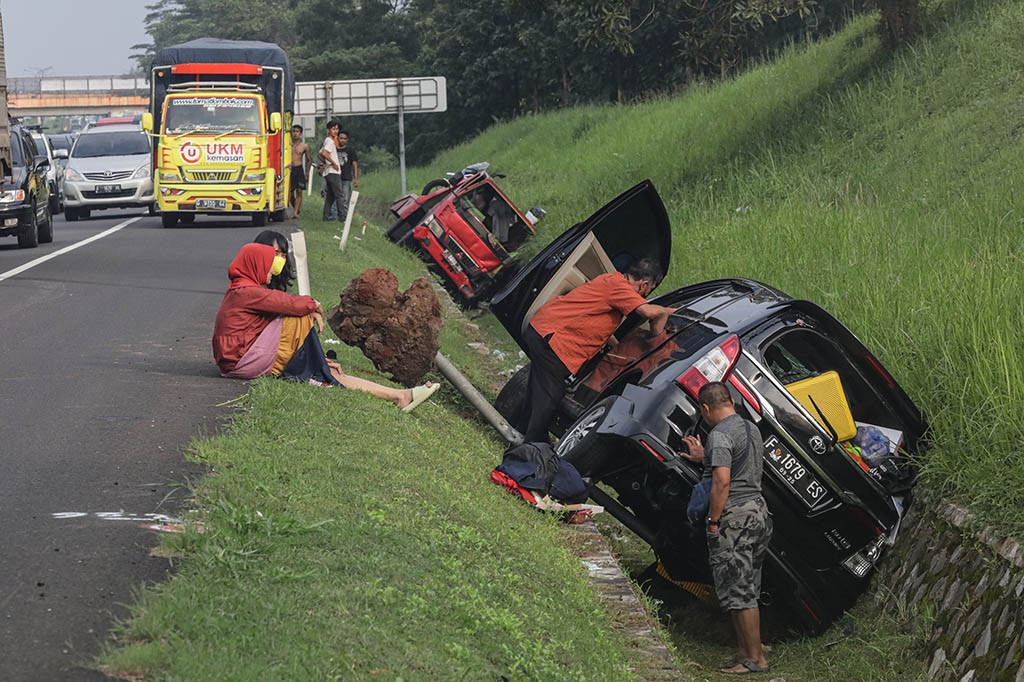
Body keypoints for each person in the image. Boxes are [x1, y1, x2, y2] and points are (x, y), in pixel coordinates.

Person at [212, 243, 440, 412]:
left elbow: (280, 304)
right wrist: (314, 307)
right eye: (269, 264)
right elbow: (288, 304)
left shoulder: (242, 290)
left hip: (241, 358)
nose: (273, 269)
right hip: (240, 362)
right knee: (299, 318)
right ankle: (318, 369)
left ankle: (401, 395)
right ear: (255, 264)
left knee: (325, 361)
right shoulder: (246, 292)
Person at [517, 258, 676, 443]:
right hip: (554, 339)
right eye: (649, 291)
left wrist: (620, 348)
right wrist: (668, 312)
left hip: (545, 330)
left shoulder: (610, 281)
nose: (645, 295)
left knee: (539, 389)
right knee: (550, 397)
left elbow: (597, 322)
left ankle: (521, 432)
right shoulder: (619, 286)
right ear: (645, 284)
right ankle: (532, 444)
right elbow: (648, 312)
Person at [681, 382, 772, 676]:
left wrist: (713, 522)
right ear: (730, 401)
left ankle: (756, 660)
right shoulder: (749, 427)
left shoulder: (719, 435)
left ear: (705, 409)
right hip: (758, 514)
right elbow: (736, 462)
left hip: (735, 518)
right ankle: (745, 653)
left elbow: (722, 481)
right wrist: (703, 456)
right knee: (746, 587)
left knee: (739, 589)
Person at [326, 130, 359, 221]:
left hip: (346, 177)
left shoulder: (350, 150)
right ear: (338, 139)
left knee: (345, 198)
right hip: (335, 176)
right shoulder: (334, 150)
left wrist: (356, 178)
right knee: (334, 197)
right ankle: (333, 216)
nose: (343, 140)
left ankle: (344, 217)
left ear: (347, 140)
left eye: (345, 139)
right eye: (341, 138)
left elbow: (354, 164)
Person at [319, 120, 346, 222]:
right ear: (329, 130)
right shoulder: (330, 141)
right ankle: (342, 217)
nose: (335, 131)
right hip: (333, 173)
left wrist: (326, 163)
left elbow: (320, 154)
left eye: (337, 129)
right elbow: (325, 153)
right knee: (339, 195)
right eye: (333, 129)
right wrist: (333, 163)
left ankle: (326, 217)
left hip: (328, 172)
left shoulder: (327, 140)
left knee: (330, 197)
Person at [289, 125, 312, 217]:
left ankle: (295, 212)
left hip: (299, 169)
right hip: (290, 169)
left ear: (301, 134)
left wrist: (307, 173)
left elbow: (309, 159)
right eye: (294, 131)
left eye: (297, 131)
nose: (295, 133)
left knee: (299, 191)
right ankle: (295, 207)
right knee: (290, 193)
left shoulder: (304, 146)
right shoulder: (288, 144)